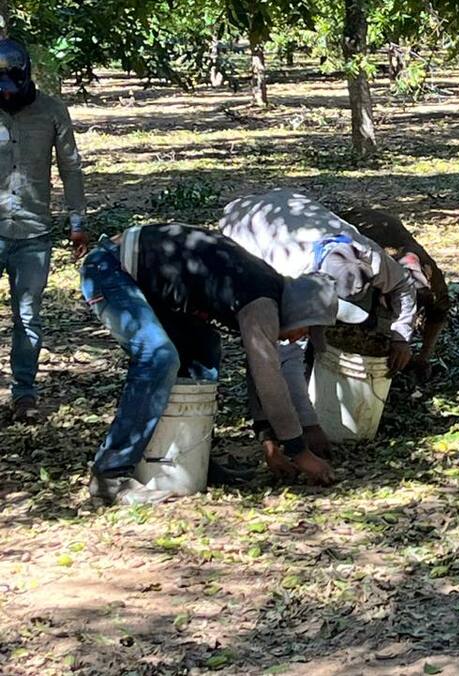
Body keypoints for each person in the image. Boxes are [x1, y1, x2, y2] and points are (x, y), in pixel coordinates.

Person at [80, 224, 368, 506]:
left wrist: (269, 440)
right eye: (305, 330)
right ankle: (110, 475)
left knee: (204, 348)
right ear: (298, 313)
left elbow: (260, 365)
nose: (298, 339)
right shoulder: (262, 302)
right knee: (158, 357)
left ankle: (194, 459)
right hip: (110, 268)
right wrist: (299, 452)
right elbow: (269, 379)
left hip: (148, 281)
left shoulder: (270, 293)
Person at [220, 190, 429, 450]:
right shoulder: (288, 277)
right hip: (242, 223)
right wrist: (309, 428)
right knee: (263, 340)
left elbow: (403, 285)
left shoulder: (368, 255)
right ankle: (264, 424)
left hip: (289, 201)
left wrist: (400, 336)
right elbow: (285, 358)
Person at [0, 38, 87, 423]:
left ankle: (24, 393)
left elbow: (70, 167)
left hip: (33, 233)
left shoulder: (52, 111)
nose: (5, 95)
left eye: (10, 88)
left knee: (28, 316)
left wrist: (77, 221)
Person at [335, 203, 452, 380]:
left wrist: (423, 357)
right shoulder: (372, 266)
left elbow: (438, 317)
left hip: (388, 236)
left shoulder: (435, 287)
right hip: (354, 225)